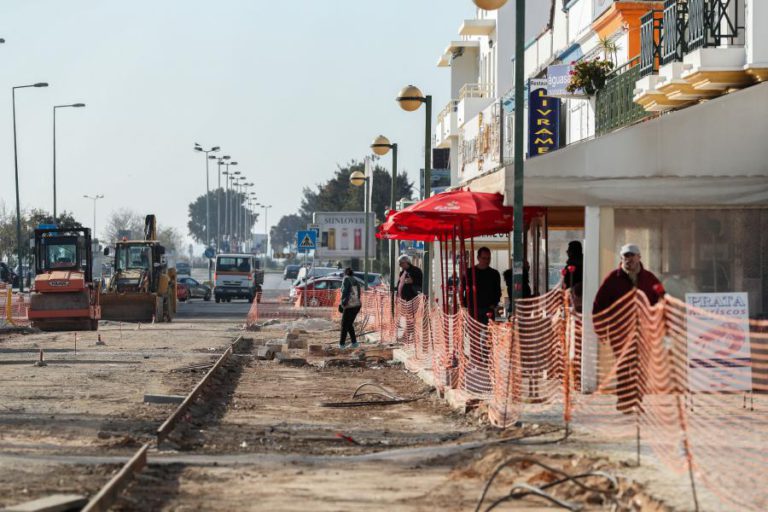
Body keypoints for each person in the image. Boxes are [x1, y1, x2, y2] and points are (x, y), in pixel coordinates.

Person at [593, 243, 664, 413]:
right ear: (621, 258)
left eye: (632, 255)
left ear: (639, 257)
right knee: (624, 366)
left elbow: (662, 297)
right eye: (625, 256)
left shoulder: (650, 278)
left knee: (641, 367)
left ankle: (637, 400)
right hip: (620, 332)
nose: (628, 259)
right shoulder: (613, 279)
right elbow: (599, 305)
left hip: (645, 331)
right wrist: (601, 329)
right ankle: (625, 400)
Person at [462, 247, 502, 324]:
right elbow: (463, 289)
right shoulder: (469, 272)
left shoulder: (494, 274)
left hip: (488, 309)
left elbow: (498, 291)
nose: (486, 261)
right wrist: (465, 304)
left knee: (487, 334)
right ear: (478, 258)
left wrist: (493, 304)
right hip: (472, 309)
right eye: (484, 258)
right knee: (473, 334)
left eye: (488, 258)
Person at [339, 267, 362, 349]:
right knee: (349, 324)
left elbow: (344, 292)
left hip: (349, 305)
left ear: (345, 273)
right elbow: (359, 294)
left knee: (344, 324)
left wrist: (342, 304)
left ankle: (341, 345)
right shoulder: (356, 280)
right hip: (357, 305)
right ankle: (354, 343)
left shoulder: (346, 279)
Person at [562, 241, 584, 312]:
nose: (567, 252)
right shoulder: (585, 264)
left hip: (573, 298)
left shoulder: (571, 266)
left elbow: (566, 284)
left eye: (568, 250)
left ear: (572, 252)